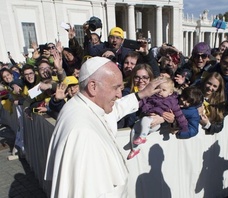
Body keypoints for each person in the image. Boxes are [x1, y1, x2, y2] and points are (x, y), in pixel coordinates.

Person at [44, 56, 165, 198]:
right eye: (116, 88)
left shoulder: (85, 106)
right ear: (93, 86)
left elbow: (117, 109)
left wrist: (141, 94)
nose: (119, 94)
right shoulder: (82, 132)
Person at [127, 78, 188, 159]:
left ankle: (143, 137)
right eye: (158, 88)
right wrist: (141, 105)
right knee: (134, 129)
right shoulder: (151, 97)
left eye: (164, 90)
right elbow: (143, 103)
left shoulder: (172, 102)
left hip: (156, 125)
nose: (160, 91)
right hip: (147, 121)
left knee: (145, 120)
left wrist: (184, 127)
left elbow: (179, 115)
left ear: (170, 92)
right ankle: (135, 149)